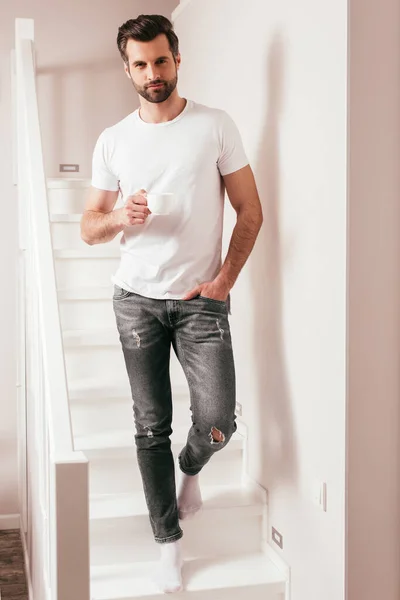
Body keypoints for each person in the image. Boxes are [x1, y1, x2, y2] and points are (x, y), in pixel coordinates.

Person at [80, 14, 263, 594]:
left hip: (200, 300)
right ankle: (168, 544)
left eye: (161, 61)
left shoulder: (214, 125)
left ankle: (191, 468)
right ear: (127, 68)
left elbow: (250, 211)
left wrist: (224, 280)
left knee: (215, 423)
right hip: (135, 300)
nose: (152, 73)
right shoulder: (113, 139)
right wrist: (119, 217)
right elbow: (88, 227)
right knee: (149, 425)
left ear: (177, 59)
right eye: (140, 63)